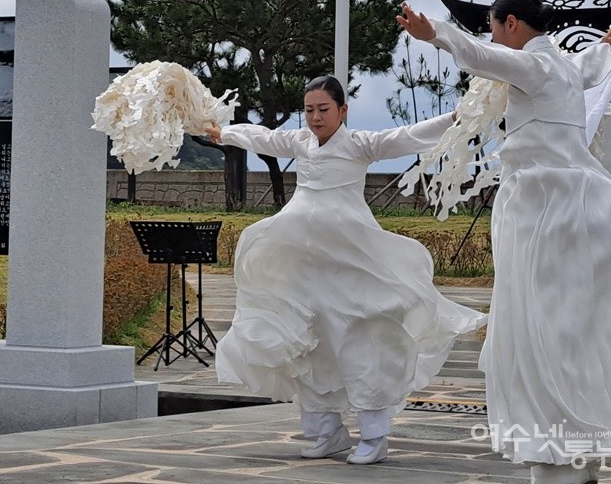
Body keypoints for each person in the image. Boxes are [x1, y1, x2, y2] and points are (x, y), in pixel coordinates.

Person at [397, 0, 611, 483]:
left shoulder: (534, 68)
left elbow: (479, 54)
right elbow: (593, 64)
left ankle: (557, 449)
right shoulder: (562, 67)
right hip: (588, 204)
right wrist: (607, 45)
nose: (495, 36)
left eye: (497, 26)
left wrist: (432, 31)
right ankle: (572, 445)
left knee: (539, 328)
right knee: (571, 329)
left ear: (512, 24)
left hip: (548, 209)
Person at [208, 76, 486, 465]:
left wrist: (453, 118)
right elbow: (263, 137)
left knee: (360, 338)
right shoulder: (299, 143)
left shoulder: (359, 145)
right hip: (304, 261)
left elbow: (405, 136)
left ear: (342, 110)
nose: (315, 118)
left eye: (323, 109)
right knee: (309, 340)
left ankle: (374, 436)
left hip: (351, 259)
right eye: (309, 110)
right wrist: (225, 133)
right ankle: (326, 431)